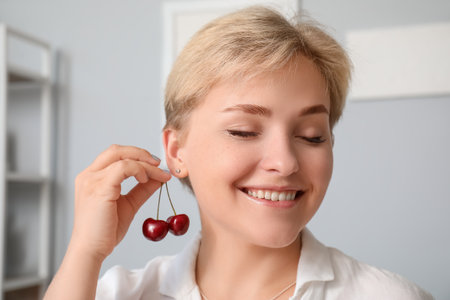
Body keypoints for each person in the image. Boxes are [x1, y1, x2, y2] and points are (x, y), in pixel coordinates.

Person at [44, 6, 433, 300]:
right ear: (176, 152)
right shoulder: (114, 294)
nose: (285, 162)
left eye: (313, 135)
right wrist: (85, 251)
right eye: (244, 131)